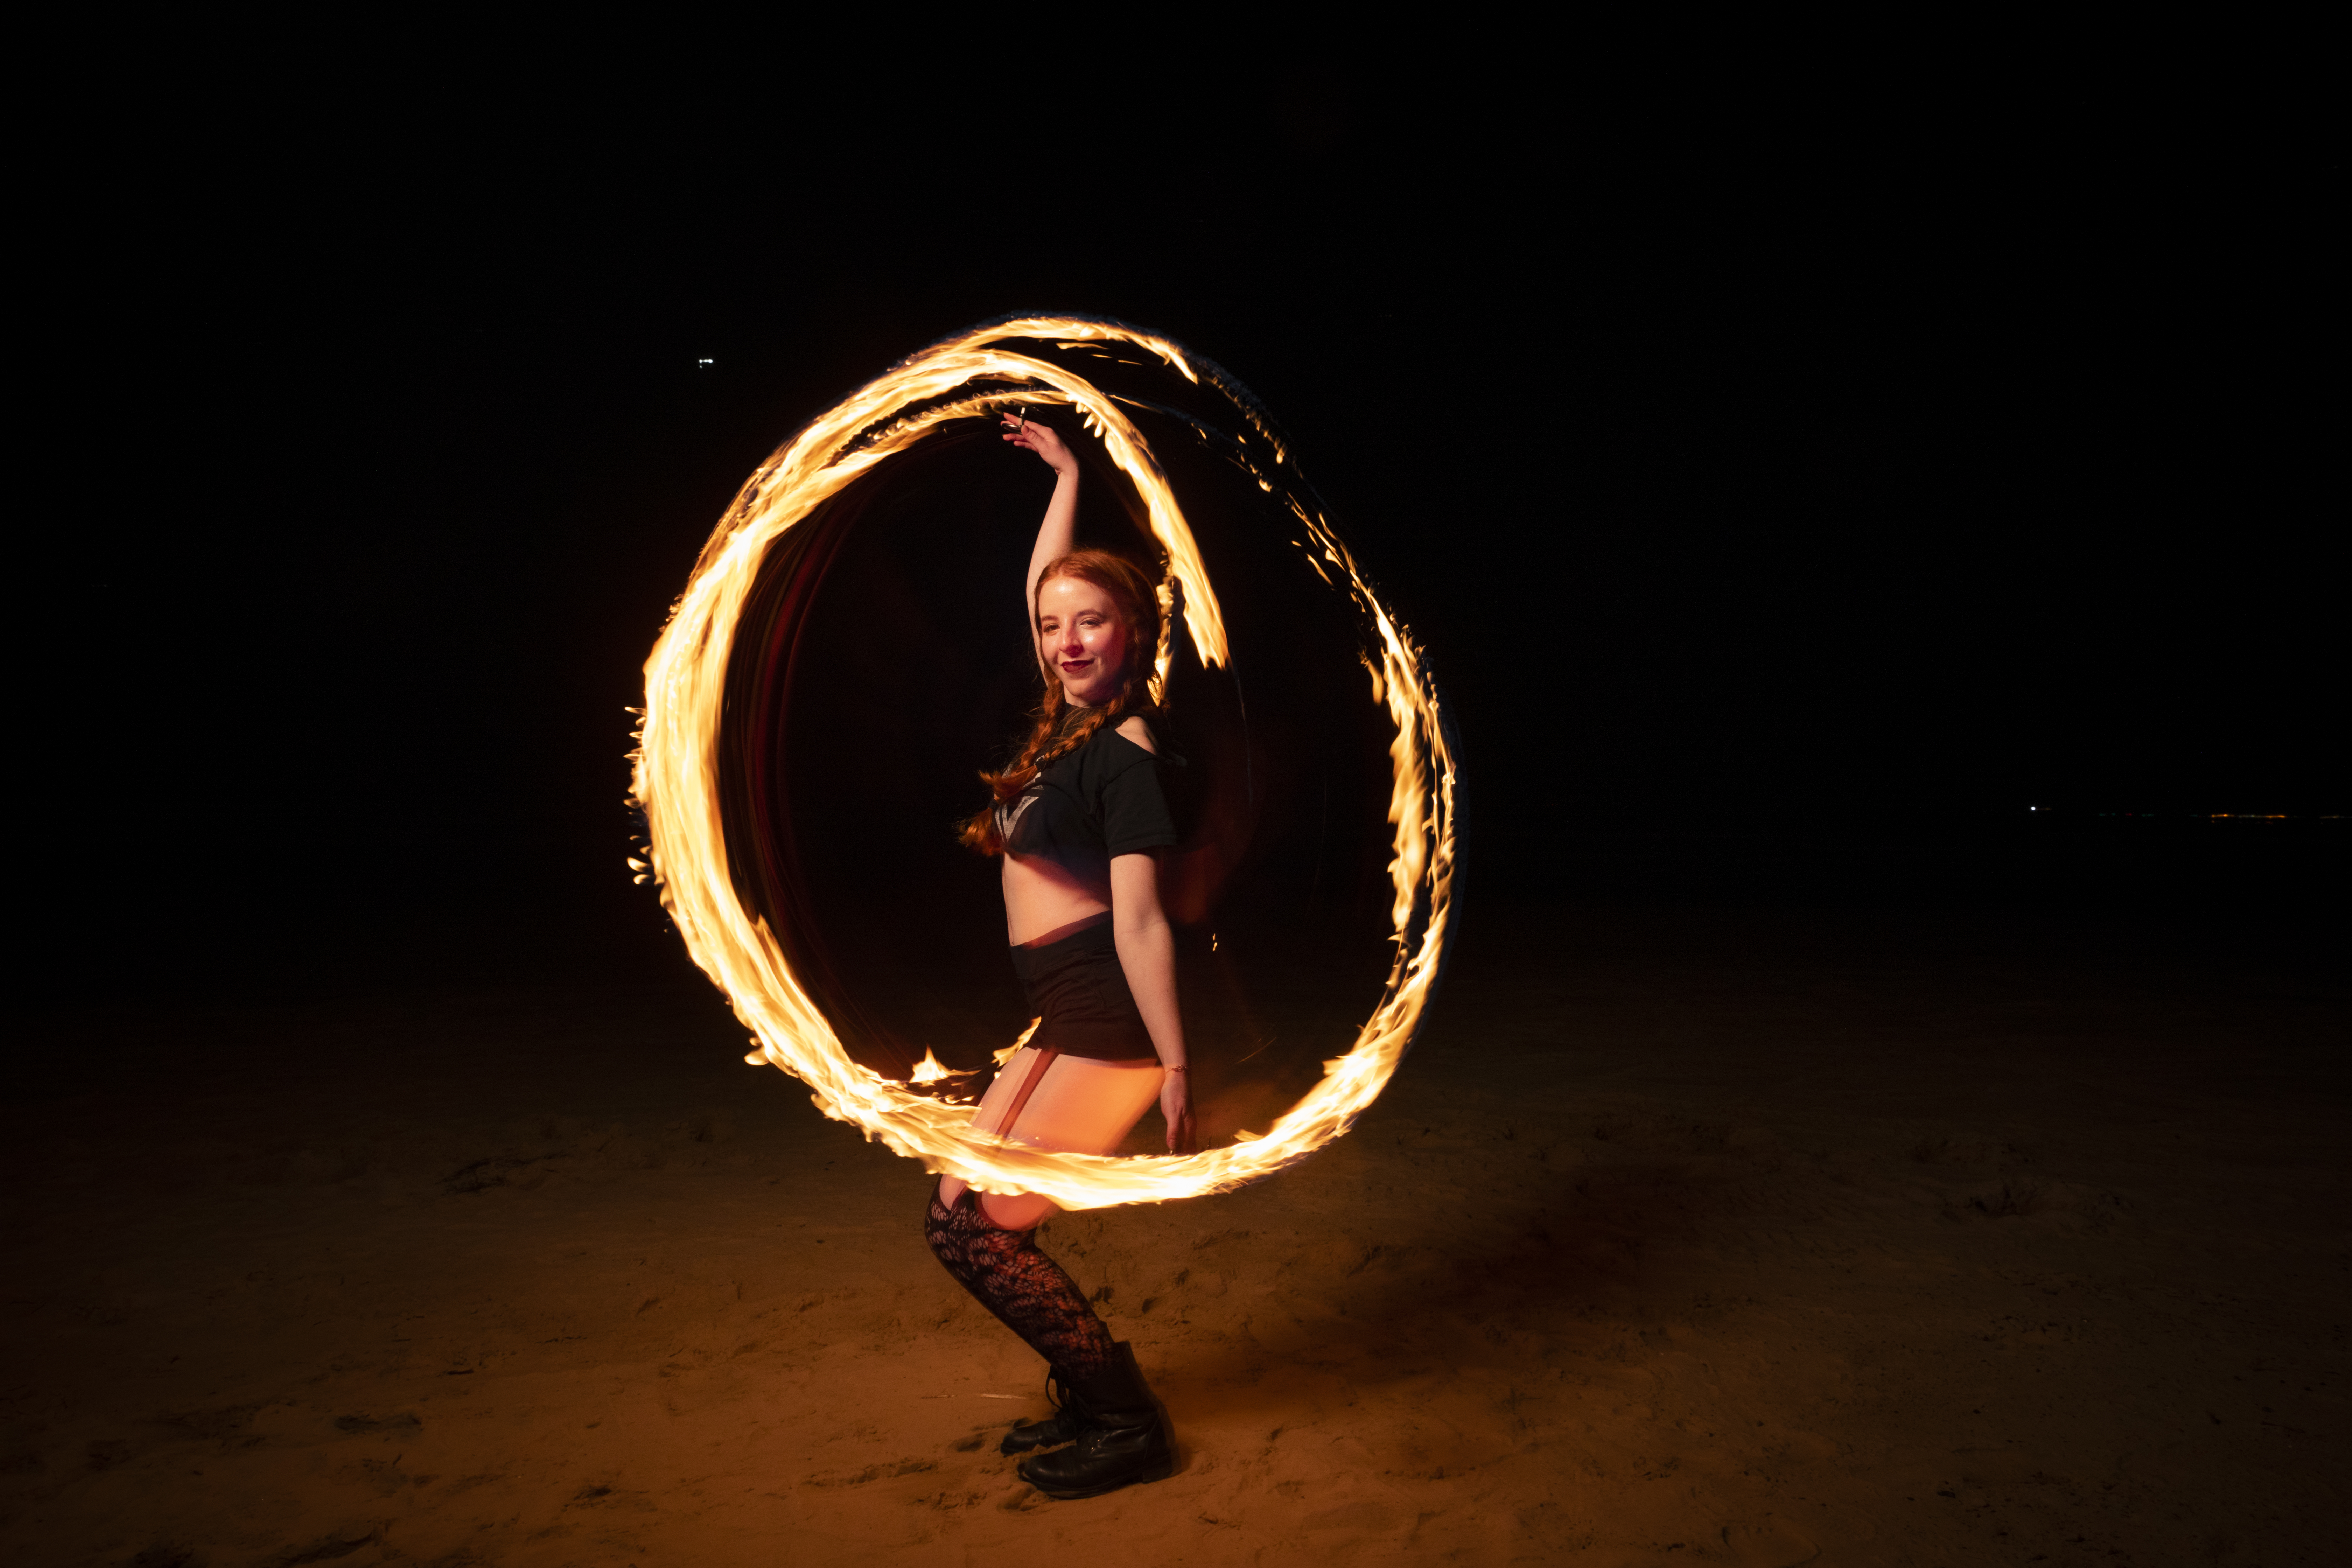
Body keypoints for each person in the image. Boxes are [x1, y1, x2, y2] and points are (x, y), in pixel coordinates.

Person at [922, 411, 1197, 1501]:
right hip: (1062, 1014)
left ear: (1134, 631)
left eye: (1092, 623)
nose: (1067, 640)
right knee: (956, 1217)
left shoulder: (1126, 756)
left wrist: (1177, 1064)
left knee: (979, 1233)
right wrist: (1068, 473)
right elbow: (1051, 579)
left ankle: (1129, 1423)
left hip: (1110, 1023)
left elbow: (1143, 923)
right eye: (1052, 627)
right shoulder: (1063, 726)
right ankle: (1094, 1398)